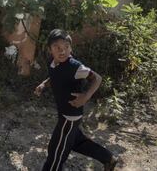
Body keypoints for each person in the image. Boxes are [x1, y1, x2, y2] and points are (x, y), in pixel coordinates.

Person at [35, 29, 118, 171]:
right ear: (50, 50)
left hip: (70, 115)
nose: (62, 51)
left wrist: (86, 96)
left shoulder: (75, 66)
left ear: (71, 48)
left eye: (66, 47)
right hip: (64, 112)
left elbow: (97, 78)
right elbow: (55, 76)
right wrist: (44, 84)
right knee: (75, 141)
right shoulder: (53, 63)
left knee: (56, 151)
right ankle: (108, 158)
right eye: (57, 48)